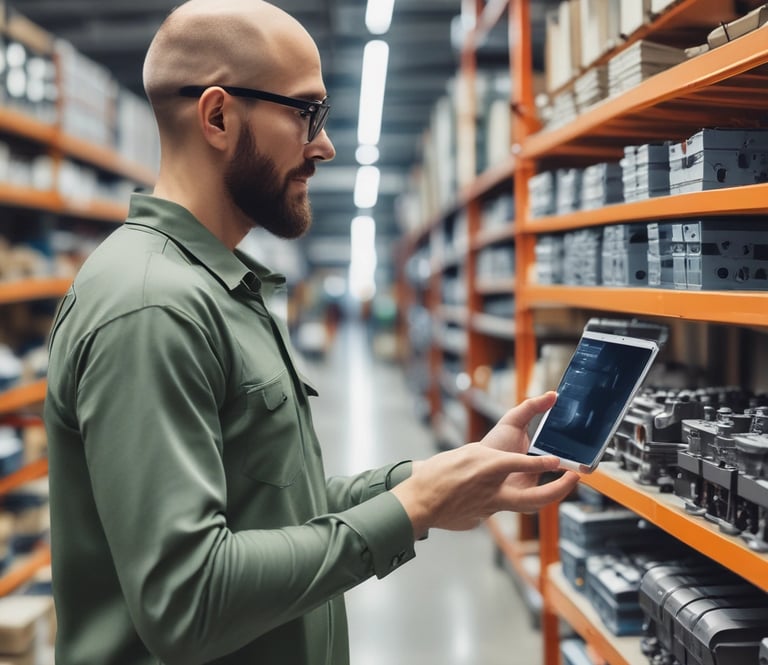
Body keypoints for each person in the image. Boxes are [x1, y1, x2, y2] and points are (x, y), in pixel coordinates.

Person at [43, 1, 580, 663]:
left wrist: (436, 480)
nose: (324, 145)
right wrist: (411, 507)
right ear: (217, 116)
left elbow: (271, 506)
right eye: (306, 114)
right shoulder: (153, 306)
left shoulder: (221, 286)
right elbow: (187, 600)